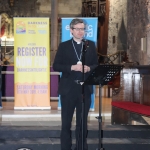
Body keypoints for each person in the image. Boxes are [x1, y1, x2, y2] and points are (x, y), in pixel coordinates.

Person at [53, 18, 98, 150]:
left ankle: (81, 147)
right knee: (66, 123)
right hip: (68, 89)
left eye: (82, 29)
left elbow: (96, 64)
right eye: (77, 29)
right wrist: (72, 67)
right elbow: (56, 66)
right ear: (71, 30)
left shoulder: (90, 45)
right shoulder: (64, 46)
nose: (80, 32)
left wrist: (89, 68)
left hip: (85, 89)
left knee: (82, 123)